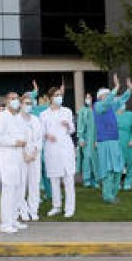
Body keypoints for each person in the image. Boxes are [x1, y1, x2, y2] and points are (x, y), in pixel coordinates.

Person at [93, 75, 132, 203]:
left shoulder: (111, 106)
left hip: (114, 141)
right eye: (106, 95)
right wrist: (115, 88)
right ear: (100, 97)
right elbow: (107, 103)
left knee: (117, 169)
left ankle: (113, 194)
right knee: (108, 170)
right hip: (104, 142)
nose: (109, 97)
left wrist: (129, 90)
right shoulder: (97, 106)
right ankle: (107, 196)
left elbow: (121, 100)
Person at [0, 92, 27, 233]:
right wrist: (14, 142)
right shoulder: (2, 117)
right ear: (7, 101)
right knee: (8, 190)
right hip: (7, 159)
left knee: (18, 190)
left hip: (18, 158)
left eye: (17, 99)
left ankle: (13, 219)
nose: (15, 101)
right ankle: (5, 224)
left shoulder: (17, 118)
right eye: (12, 99)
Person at [40, 86, 76, 217]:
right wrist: (47, 136)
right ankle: (56, 206)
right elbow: (41, 132)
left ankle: (69, 208)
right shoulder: (43, 115)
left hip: (66, 148)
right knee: (54, 180)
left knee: (68, 179)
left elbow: (72, 129)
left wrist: (68, 125)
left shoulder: (67, 111)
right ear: (50, 98)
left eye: (60, 94)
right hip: (52, 149)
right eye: (56, 95)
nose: (59, 97)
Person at [18, 93, 43, 221]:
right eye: (26, 103)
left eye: (30, 103)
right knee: (21, 184)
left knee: (34, 183)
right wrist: (24, 154)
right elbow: (16, 139)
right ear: (21, 104)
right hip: (21, 156)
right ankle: (23, 210)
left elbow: (39, 138)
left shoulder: (35, 120)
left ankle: (33, 210)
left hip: (34, 156)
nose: (29, 106)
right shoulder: (16, 120)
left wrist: (33, 153)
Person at [116, 100, 132, 189]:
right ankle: (117, 182)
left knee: (130, 163)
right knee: (118, 164)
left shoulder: (130, 115)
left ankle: (128, 182)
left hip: (128, 141)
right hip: (117, 142)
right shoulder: (113, 115)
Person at [76, 93, 98, 187]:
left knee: (96, 159)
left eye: (89, 97)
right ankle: (87, 179)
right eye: (86, 98)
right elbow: (80, 124)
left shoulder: (96, 110)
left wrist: (98, 139)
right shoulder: (82, 111)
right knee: (87, 159)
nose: (88, 99)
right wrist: (80, 138)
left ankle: (95, 179)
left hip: (96, 139)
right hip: (86, 139)